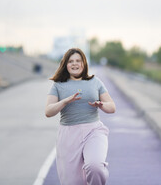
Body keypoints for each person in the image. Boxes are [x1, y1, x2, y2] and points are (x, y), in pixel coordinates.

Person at [46, 48, 116, 185]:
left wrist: (101, 105)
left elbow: (112, 107)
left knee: (95, 167)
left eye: (78, 60)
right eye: (71, 61)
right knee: (72, 182)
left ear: (84, 63)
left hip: (93, 131)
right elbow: (48, 111)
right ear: (65, 65)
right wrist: (65, 101)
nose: (74, 64)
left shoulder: (95, 82)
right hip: (68, 135)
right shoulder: (58, 85)